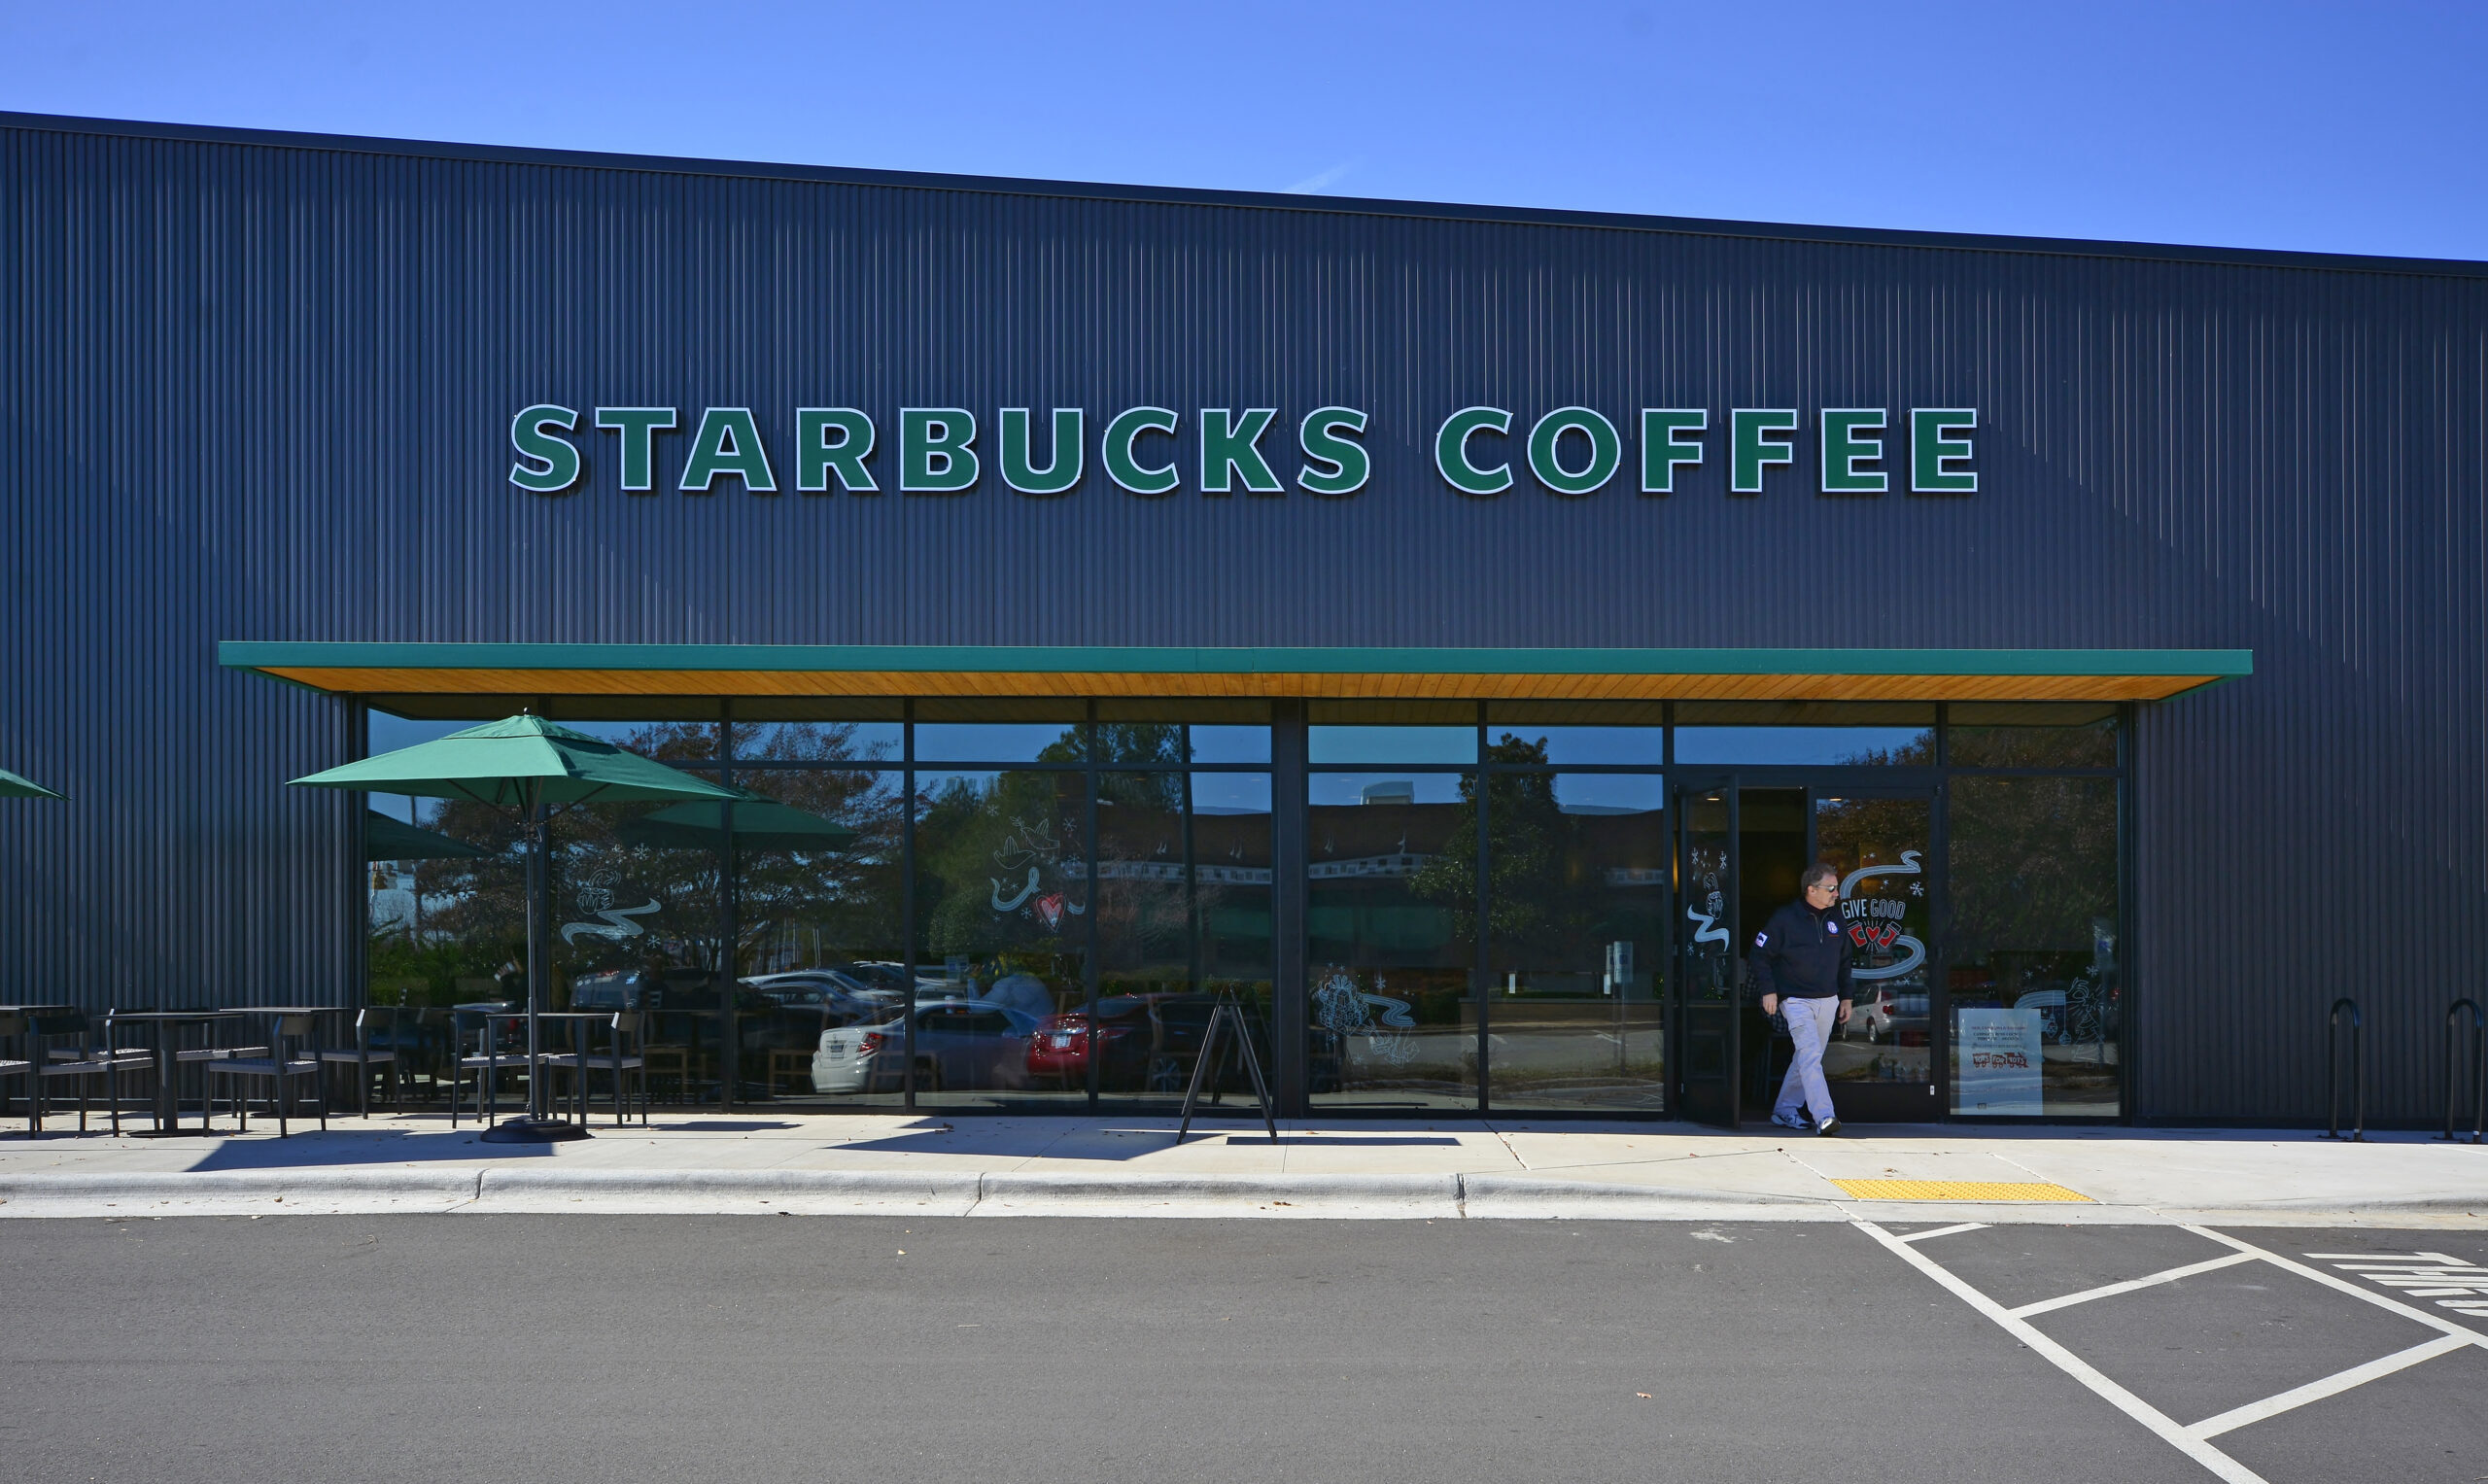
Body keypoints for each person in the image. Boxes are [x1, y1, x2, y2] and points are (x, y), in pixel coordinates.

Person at [1754, 863, 1853, 1135]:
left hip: (1828, 1000)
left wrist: (1846, 997)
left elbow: (1845, 961)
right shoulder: (1785, 919)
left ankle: (1785, 1110)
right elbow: (1760, 955)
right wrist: (1768, 990)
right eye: (1831, 888)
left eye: (1837, 888)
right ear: (1811, 890)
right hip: (1795, 1001)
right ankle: (1825, 1116)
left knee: (1807, 1057)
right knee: (1810, 1057)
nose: (1836, 894)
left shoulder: (1837, 919)